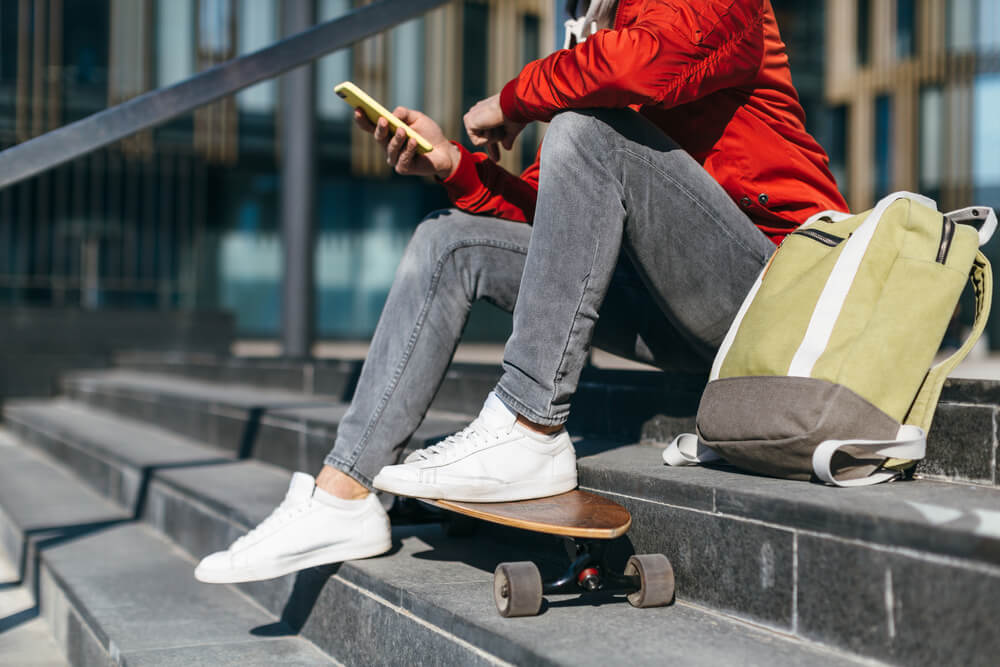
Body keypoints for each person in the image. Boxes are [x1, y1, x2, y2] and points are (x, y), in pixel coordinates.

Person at [194, 0, 847, 584]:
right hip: (677, 311)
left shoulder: (706, 13)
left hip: (778, 294)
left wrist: (516, 98)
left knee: (582, 128)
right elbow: (559, 221)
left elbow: (647, 65)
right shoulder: (606, 32)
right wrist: (452, 164)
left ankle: (530, 425)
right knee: (449, 242)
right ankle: (343, 495)